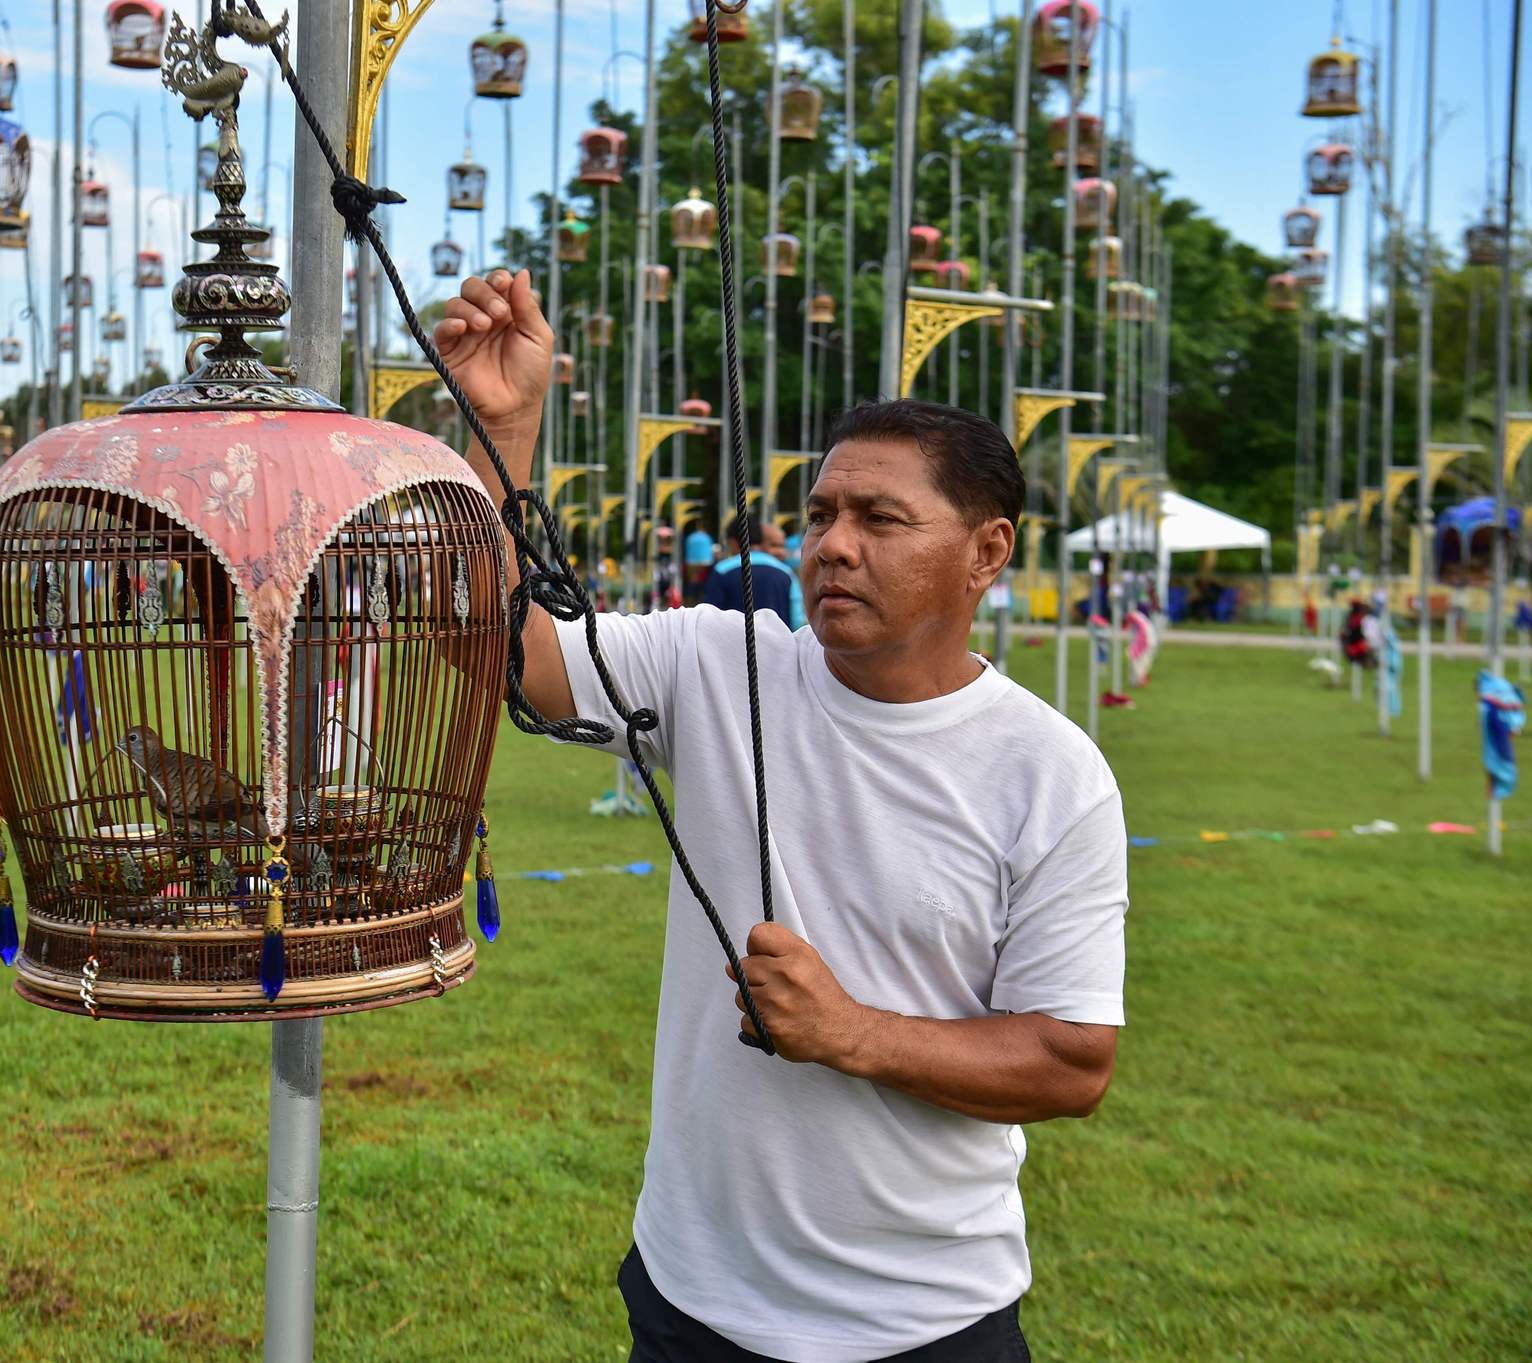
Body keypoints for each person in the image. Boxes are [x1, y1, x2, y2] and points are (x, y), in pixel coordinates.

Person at [435, 268, 1125, 1363]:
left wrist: (850, 1033)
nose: (832, 543)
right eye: (820, 515)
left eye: (879, 519)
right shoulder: (722, 665)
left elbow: (1068, 1060)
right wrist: (499, 429)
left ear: (985, 552)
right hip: (692, 1302)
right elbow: (501, 656)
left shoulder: (1049, 771)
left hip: (924, 1319)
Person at [701, 515, 805, 630]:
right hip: (779, 645)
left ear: (733, 542)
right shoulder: (785, 572)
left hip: (734, 645)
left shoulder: (722, 570)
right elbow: (797, 618)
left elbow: (709, 617)